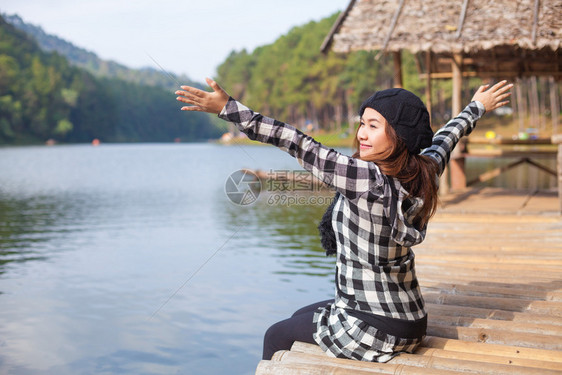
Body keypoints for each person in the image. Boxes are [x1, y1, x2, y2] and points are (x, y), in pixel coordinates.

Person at [175, 79, 512, 362]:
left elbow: (295, 141)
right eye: (362, 123)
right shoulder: (423, 169)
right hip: (411, 320)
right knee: (298, 318)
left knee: (276, 335)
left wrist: (227, 108)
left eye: (373, 126)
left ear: (400, 136)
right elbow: (446, 138)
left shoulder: (364, 177)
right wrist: (476, 106)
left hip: (376, 327)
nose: (361, 134)